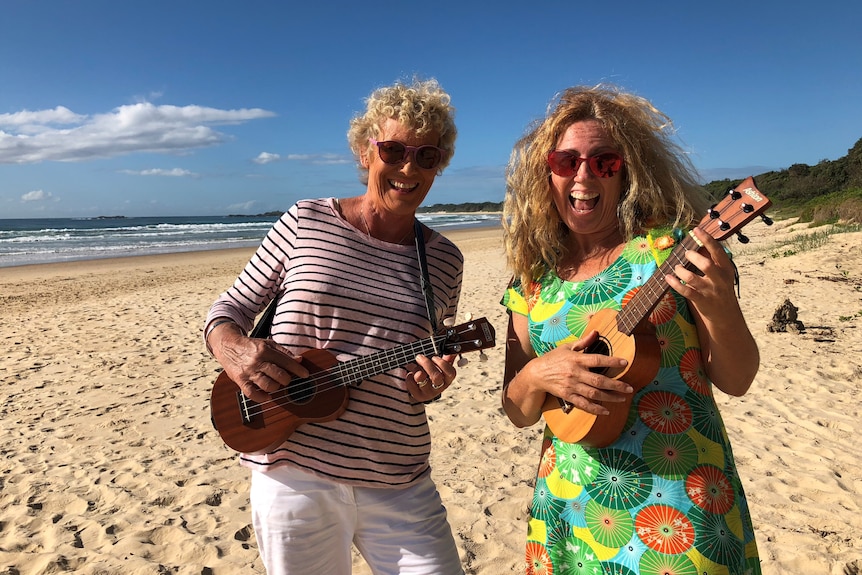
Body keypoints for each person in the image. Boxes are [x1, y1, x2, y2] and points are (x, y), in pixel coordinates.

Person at [204, 78, 465, 574]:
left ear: (439, 165)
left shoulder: (443, 260)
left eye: (427, 156)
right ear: (366, 152)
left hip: (399, 475)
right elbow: (228, 311)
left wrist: (432, 384)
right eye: (394, 150)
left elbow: (425, 372)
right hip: (292, 471)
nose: (408, 168)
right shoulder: (305, 221)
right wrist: (233, 350)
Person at [500, 85, 762, 574]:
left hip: (679, 505)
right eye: (565, 161)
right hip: (568, 506)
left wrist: (722, 304)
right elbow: (517, 411)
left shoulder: (674, 251)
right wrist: (538, 375)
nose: (583, 175)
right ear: (546, 174)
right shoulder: (532, 281)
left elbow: (738, 378)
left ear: (628, 171)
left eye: (604, 161)